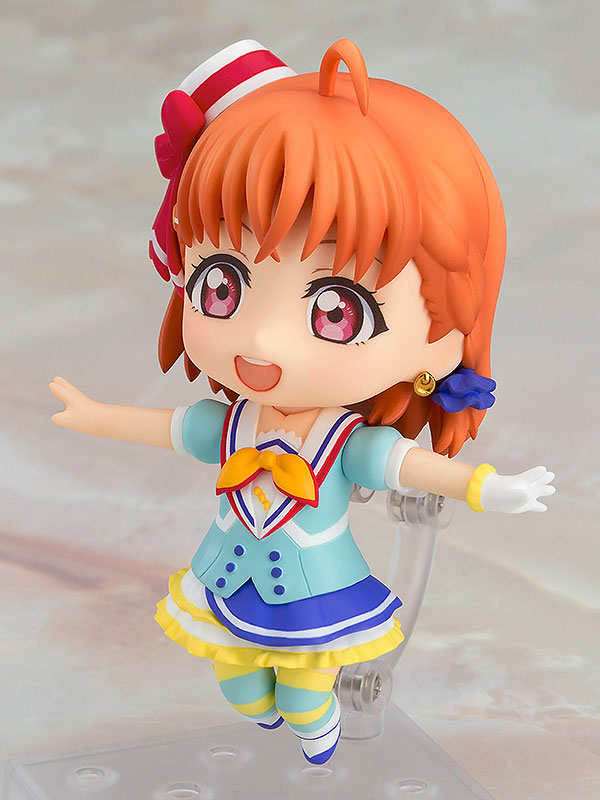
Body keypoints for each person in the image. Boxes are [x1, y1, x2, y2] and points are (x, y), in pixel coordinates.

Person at [49, 38, 555, 765]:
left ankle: (319, 742)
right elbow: (168, 428)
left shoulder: (345, 445)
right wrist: (94, 416)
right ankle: (274, 729)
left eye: (336, 311)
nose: (261, 340)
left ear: (443, 337)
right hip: (226, 578)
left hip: (318, 590)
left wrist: (487, 488)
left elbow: (412, 469)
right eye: (222, 285)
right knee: (241, 687)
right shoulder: (233, 425)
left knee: (305, 692)